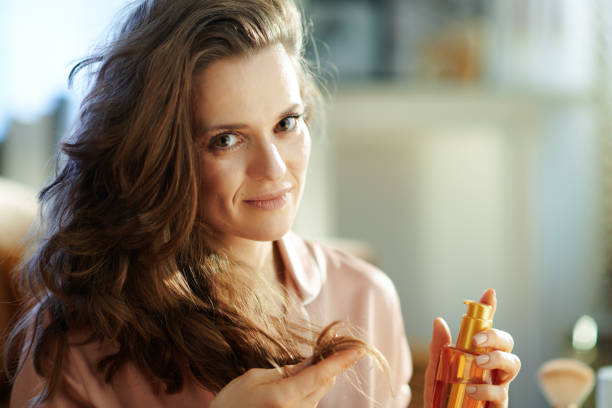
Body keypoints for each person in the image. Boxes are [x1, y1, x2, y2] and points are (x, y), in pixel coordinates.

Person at [5, 0, 520, 407]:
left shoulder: (365, 296)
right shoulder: (78, 342)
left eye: (286, 123)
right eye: (226, 139)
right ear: (159, 154)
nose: (274, 169)